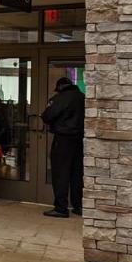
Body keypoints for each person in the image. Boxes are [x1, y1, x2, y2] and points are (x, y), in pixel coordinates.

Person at [41, 77, 85, 218]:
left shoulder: (59, 98)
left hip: (63, 139)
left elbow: (47, 116)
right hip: (80, 140)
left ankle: (61, 208)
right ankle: (78, 206)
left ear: (60, 87)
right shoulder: (82, 97)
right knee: (77, 174)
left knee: (60, 174)